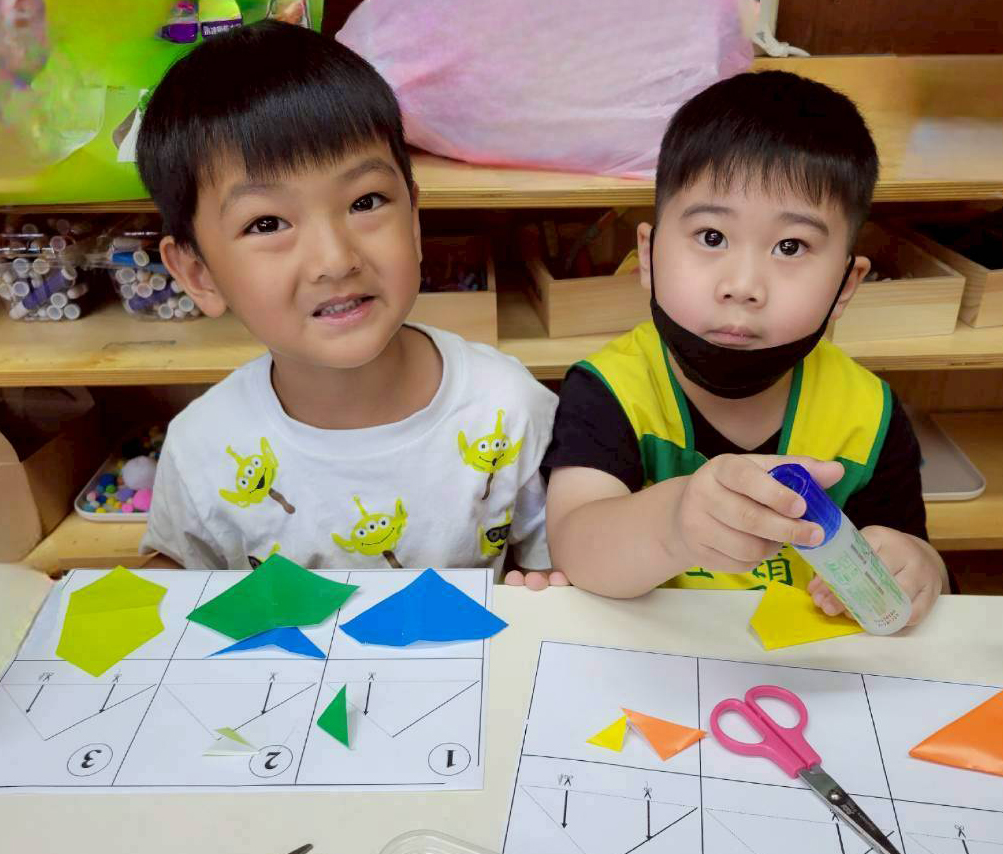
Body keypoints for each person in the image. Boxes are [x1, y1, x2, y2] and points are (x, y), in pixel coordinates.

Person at [135, 21, 565, 588]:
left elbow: (557, 572)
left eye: (366, 202)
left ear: (414, 219)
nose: (335, 260)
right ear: (198, 273)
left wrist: (547, 586)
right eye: (267, 223)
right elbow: (174, 590)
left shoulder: (510, 410)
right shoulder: (202, 447)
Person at [543, 70, 945, 624]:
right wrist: (675, 523)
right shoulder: (609, 390)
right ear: (649, 254)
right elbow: (574, 545)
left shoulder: (868, 414)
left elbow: (916, 554)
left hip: (812, 662)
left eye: (790, 246)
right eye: (712, 237)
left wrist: (918, 567)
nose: (743, 286)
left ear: (846, 285)